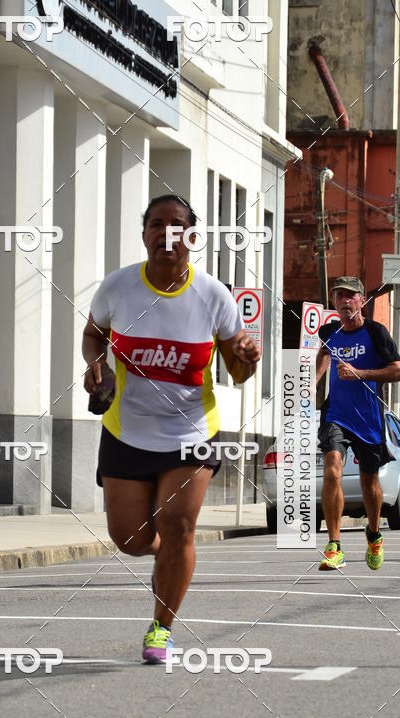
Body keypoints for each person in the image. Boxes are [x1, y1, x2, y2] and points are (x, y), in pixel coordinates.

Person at [82, 194, 261, 663]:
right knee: (130, 540)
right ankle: (161, 544)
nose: (167, 234)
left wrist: (245, 360)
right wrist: (95, 362)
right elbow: (92, 334)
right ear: (144, 236)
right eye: (157, 225)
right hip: (127, 430)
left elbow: (237, 372)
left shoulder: (212, 296)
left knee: (179, 524)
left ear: (193, 238)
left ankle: (161, 628)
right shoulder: (118, 288)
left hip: (192, 432)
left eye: (178, 226)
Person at [315, 276, 400, 571]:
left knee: (369, 483)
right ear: (333, 302)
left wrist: (360, 374)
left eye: (350, 295)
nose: (344, 301)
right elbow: (325, 355)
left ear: (361, 300)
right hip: (336, 415)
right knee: (332, 470)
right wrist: (311, 382)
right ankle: (334, 545)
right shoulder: (328, 331)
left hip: (367, 419)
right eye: (338, 296)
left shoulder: (377, 332)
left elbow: (399, 371)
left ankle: (374, 534)